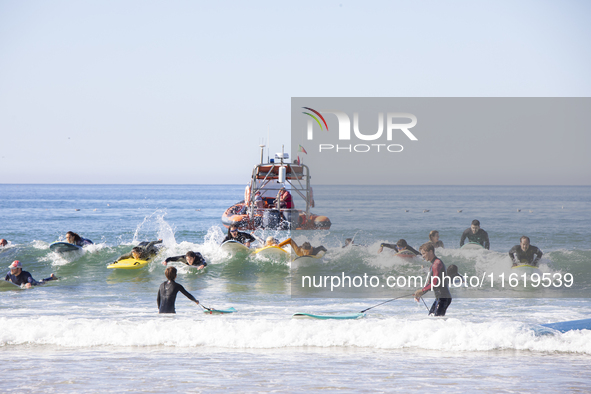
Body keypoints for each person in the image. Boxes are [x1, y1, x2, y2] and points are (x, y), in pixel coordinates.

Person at [414, 243, 452, 317]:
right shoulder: (432, 265)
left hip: (443, 298)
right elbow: (429, 282)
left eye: (424, 253)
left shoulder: (437, 264)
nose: (423, 256)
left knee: (437, 321)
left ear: (431, 252)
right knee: (431, 318)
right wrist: (421, 293)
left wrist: (422, 290)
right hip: (439, 298)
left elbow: (435, 282)